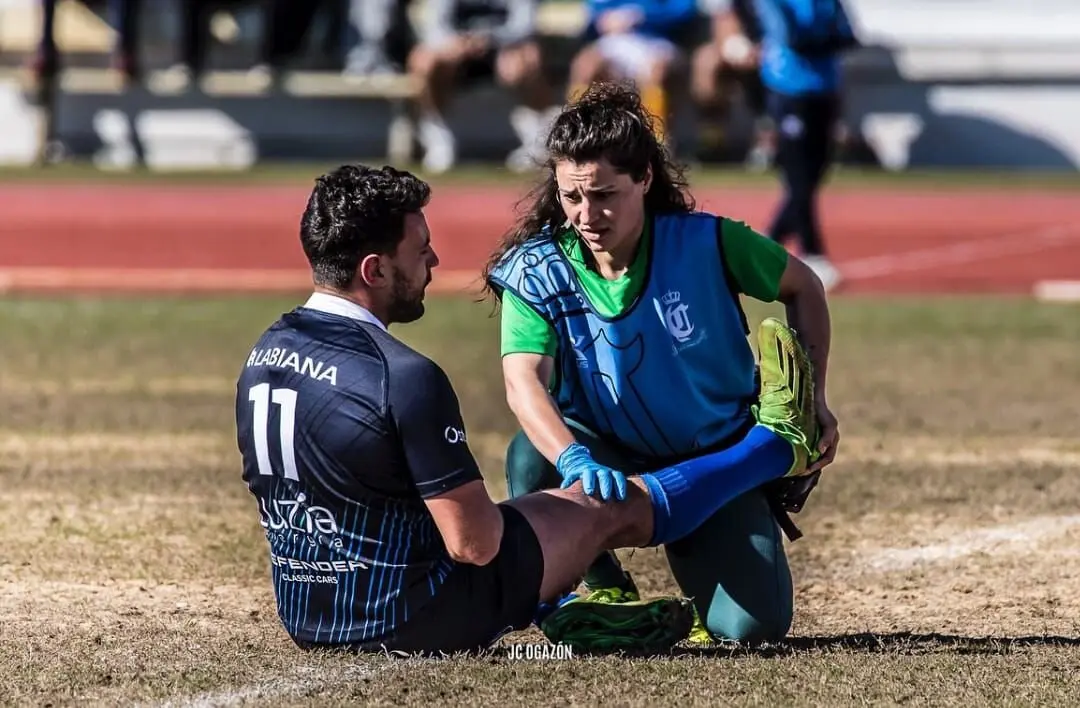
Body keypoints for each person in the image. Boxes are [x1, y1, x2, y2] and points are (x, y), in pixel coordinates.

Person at [234, 163, 823, 656]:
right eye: (419, 248)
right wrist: (559, 517)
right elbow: (476, 545)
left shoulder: (265, 351)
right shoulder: (404, 376)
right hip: (414, 616)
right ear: (375, 269)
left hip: (309, 617)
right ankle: (772, 447)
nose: (433, 258)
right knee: (601, 503)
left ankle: (573, 607)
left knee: (546, 495)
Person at [481, 81, 840, 647]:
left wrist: (813, 396)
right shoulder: (537, 269)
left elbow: (804, 286)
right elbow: (523, 380)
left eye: (604, 194)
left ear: (645, 178)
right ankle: (600, 591)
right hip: (605, 454)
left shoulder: (708, 243)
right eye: (572, 196)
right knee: (532, 456)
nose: (586, 214)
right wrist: (573, 456)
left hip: (713, 459)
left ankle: (749, 479)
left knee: (751, 629)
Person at [752, 0, 859, 291]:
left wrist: (822, 39)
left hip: (825, 88)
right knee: (798, 175)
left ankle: (768, 241)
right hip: (789, 87)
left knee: (815, 173)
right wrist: (826, 38)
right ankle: (812, 252)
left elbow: (849, 35)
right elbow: (791, 37)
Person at [404, 0, 560, 174]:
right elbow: (435, 23)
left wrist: (491, 39)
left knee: (528, 58)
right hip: (457, 52)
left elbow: (525, 24)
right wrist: (455, 42)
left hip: (502, 49)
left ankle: (536, 140)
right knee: (424, 61)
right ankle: (439, 139)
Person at [566, 0, 698, 146]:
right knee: (586, 67)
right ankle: (578, 138)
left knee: (658, 71)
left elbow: (684, 11)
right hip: (614, 40)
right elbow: (592, 12)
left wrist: (642, 15)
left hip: (656, 40)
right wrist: (603, 19)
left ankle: (654, 143)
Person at [690, 0, 774, 170]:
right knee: (706, 63)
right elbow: (723, 21)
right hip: (744, 44)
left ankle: (770, 142)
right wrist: (737, 49)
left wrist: (765, 51)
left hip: (781, 46)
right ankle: (713, 141)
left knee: (775, 67)